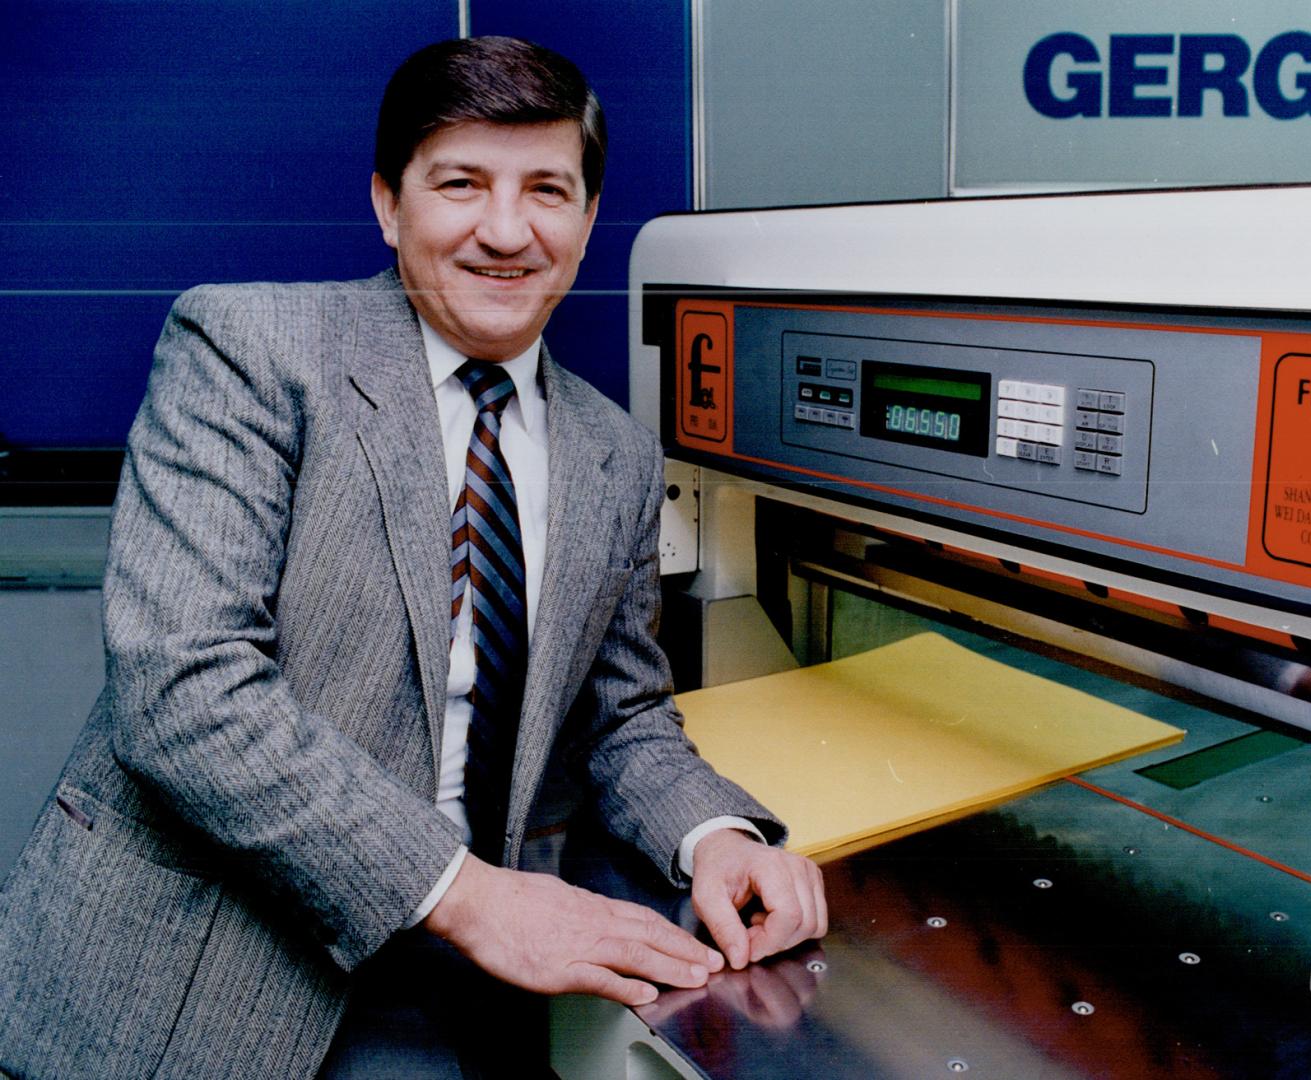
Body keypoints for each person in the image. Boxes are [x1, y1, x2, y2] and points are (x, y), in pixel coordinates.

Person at [0, 36, 826, 1078]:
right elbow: (184, 689)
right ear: (389, 205)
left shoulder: (612, 454)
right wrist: (474, 899)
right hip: (199, 967)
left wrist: (719, 838)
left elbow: (621, 716)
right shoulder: (250, 349)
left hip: (456, 986)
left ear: (585, 218)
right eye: (460, 184)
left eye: (546, 189)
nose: (505, 230)